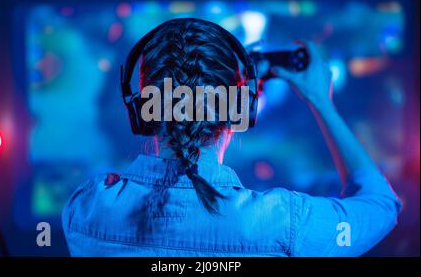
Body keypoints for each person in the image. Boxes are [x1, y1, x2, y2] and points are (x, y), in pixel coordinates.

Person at [62, 18, 401, 256]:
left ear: (140, 109)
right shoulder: (286, 224)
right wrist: (321, 102)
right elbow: (380, 206)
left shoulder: (86, 209)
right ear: (242, 109)